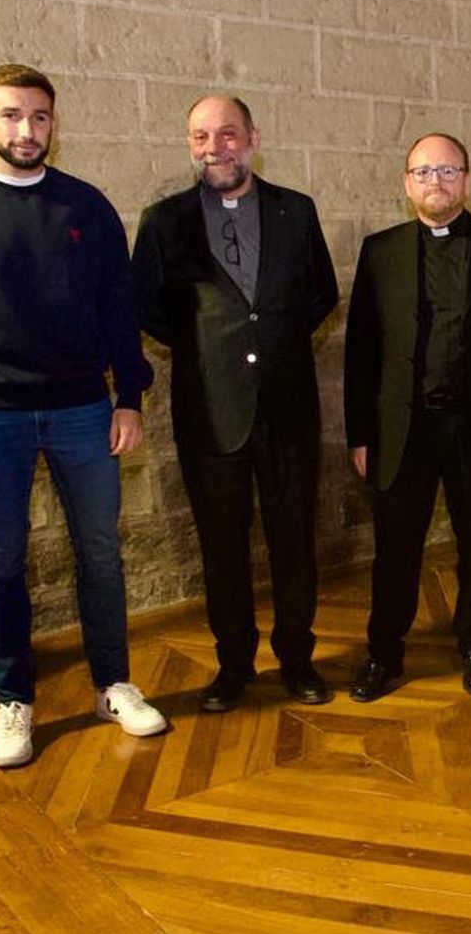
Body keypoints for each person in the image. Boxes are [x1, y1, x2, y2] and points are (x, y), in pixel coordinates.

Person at [0, 63, 166, 768]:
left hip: (83, 409)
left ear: (54, 124)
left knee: (100, 554)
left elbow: (118, 311)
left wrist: (128, 397)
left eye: (40, 117)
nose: (27, 130)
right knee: (0, 563)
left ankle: (114, 683)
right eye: (11, 115)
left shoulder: (87, 208)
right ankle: (14, 701)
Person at [132, 96, 339, 712]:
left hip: (287, 412)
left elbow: (320, 294)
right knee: (222, 548)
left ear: (253, 137)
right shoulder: (163, 220)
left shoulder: (295, 212)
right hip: (209, 414)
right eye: (201, 136)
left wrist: (267, 337)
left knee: (294, 543)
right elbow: (148, 311)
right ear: (190, 143)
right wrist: (209, 349)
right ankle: (233, 666)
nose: (215, 147)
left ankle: (298, 660)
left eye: (227, 134)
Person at [342, 133, 471, 701]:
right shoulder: (380, 251)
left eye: (446, 170)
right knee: (395, 548)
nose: (434, 182)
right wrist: (360, 434)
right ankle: (384, 655)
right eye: (422, 172)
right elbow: (361, 351)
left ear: (466, 177)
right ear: (405, 182)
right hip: (402, 429)